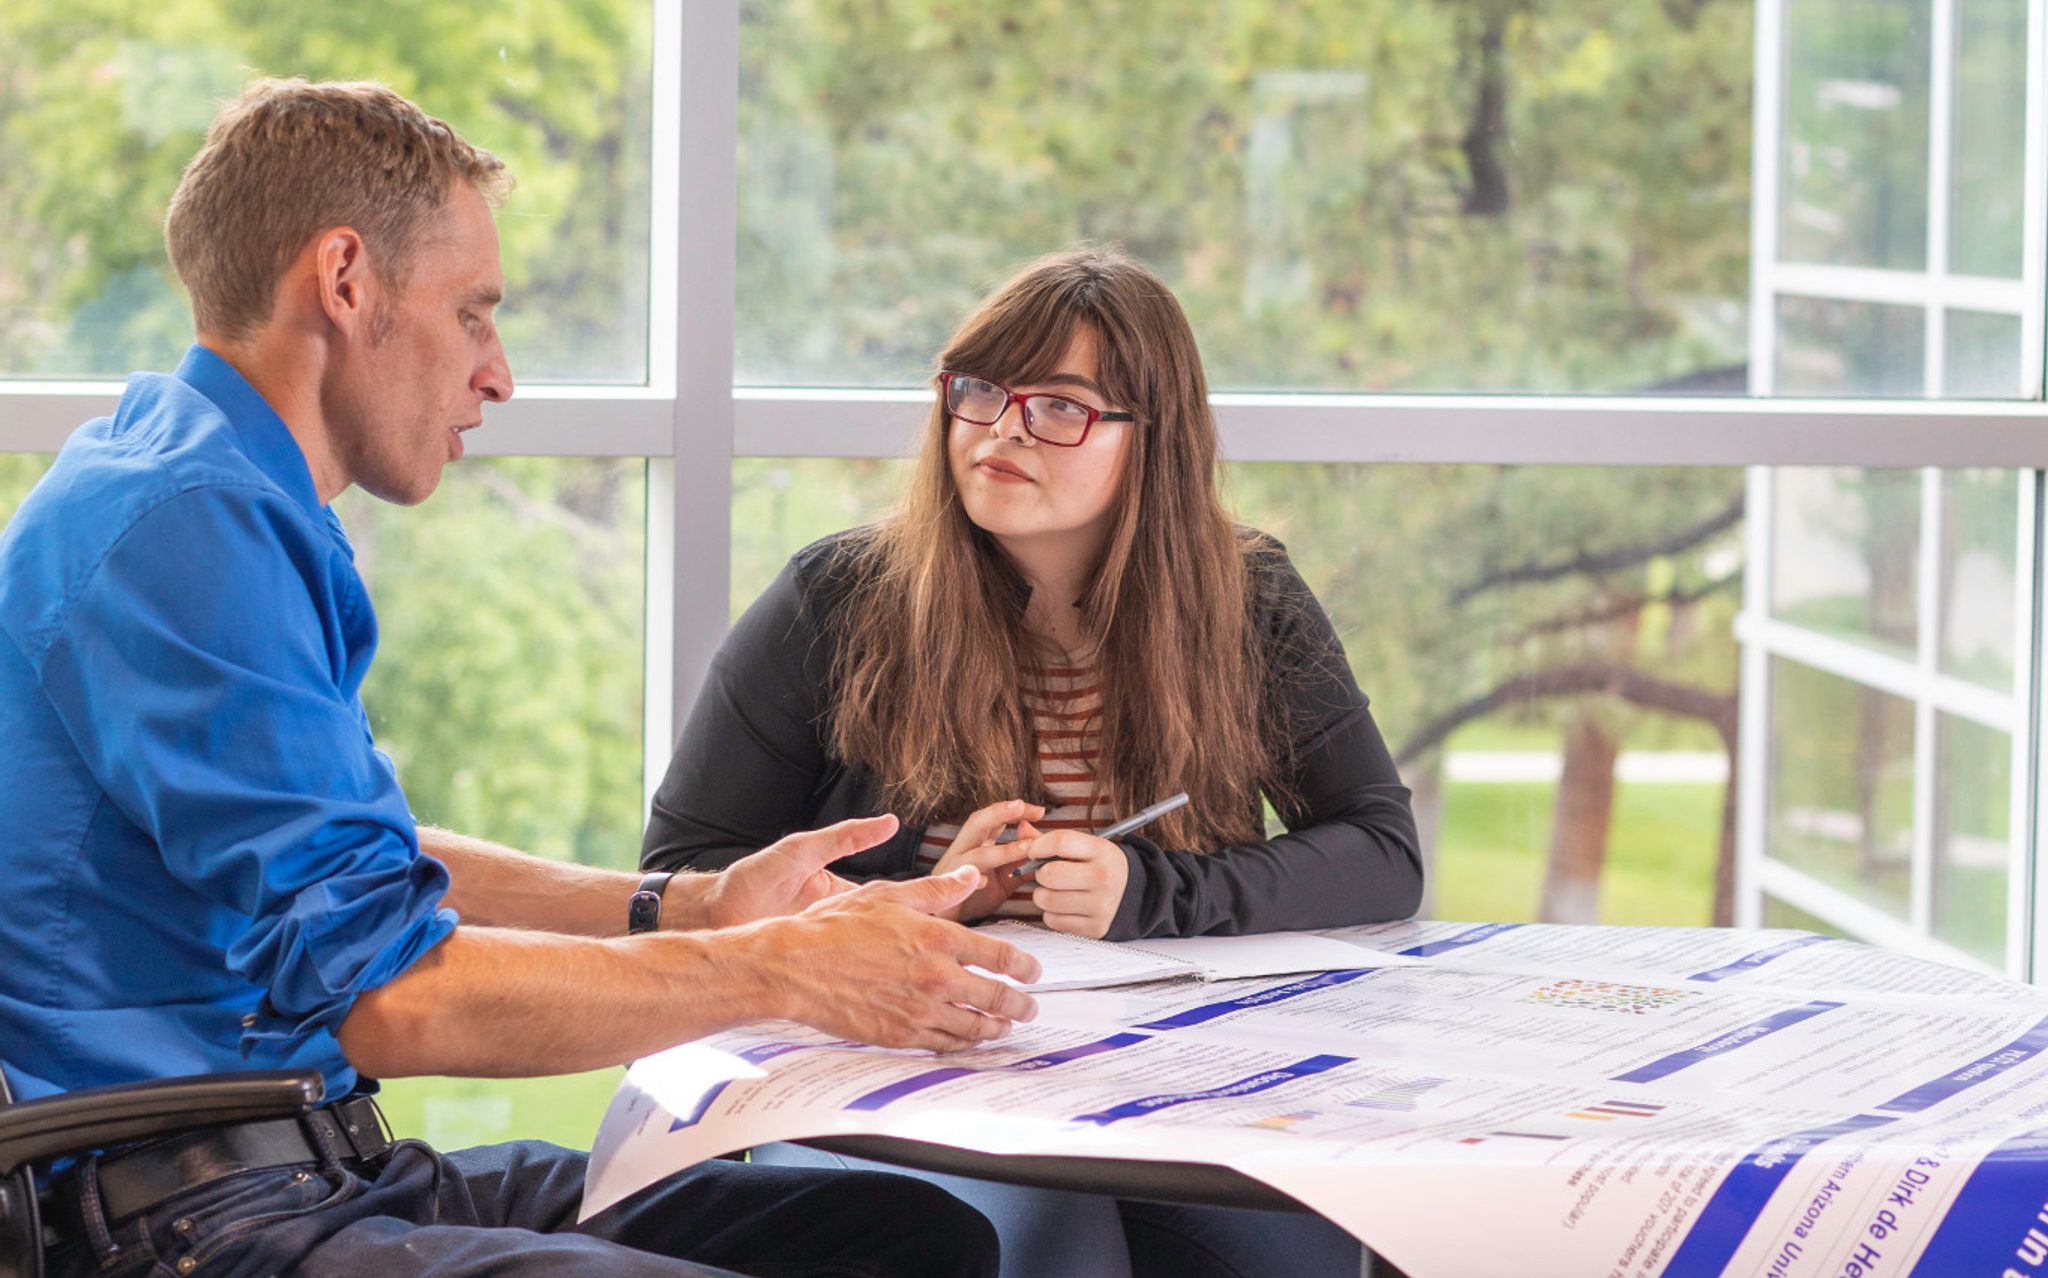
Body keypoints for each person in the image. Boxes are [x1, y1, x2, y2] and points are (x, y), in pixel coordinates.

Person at [0, 78, 1046, 1278]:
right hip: (191, 1223)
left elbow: (361, 870)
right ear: (344, 281)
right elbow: (398, 1000)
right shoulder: (184, 524)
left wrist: (690, 907)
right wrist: (785, 973)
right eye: (474, 313)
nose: (496, 376)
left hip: (311, 1169)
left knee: (904, 1238)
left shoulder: (192, 483)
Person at [642, 248, 1423, 1277]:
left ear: (1154, 440)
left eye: (1057, 406)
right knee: (1056, 1246)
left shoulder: (1248, 599)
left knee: (1320, 1251)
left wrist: (1149, 889)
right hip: (895, 1074)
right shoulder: (837, 599)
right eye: (978, 391)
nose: (999, 430)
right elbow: (680, 874)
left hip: (1174, 1078)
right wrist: (929, 900)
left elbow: (1380, 850)